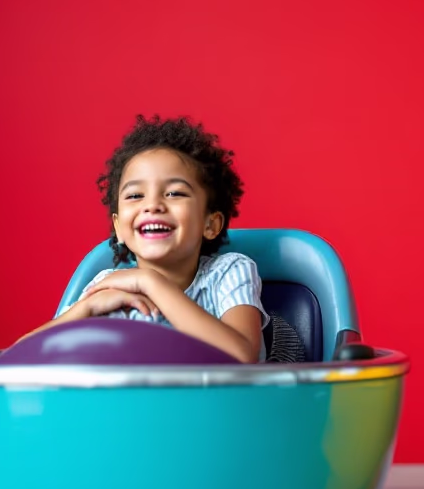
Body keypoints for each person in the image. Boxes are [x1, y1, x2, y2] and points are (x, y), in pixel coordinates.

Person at [22, 114, 267, 362]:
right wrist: (87, 308)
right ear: (119, 227)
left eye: (174, 193)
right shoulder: (107, 286)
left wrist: (150, 282)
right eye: (135, 196)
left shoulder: (229, 272)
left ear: (210, 224)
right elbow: (20, 357)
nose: (152, 205)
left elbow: (241, 356)